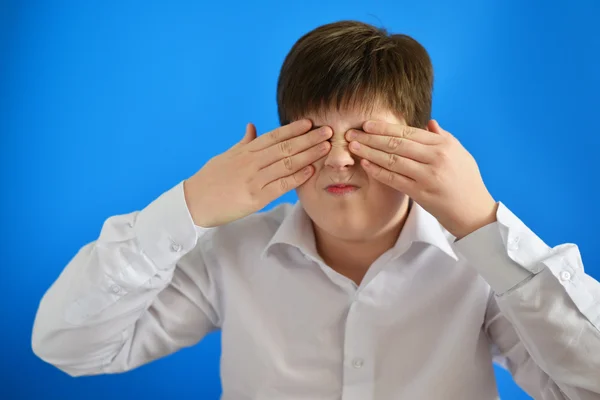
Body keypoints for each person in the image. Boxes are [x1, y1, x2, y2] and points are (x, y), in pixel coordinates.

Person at [32, 20, 600, 400]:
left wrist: (481, 223)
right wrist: (190, 207)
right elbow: (69, 346)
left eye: (366, 136)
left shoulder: (480, 268)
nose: (337, 158)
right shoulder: (230, 254)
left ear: (425, 141)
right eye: (313, 134)